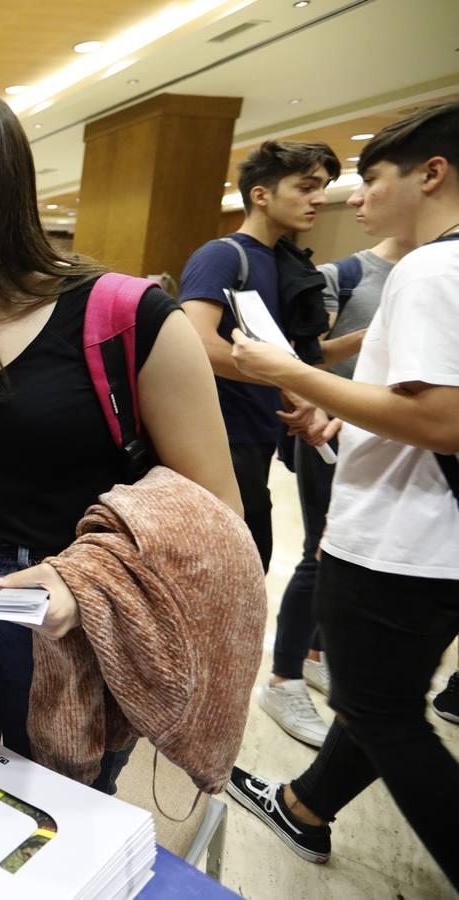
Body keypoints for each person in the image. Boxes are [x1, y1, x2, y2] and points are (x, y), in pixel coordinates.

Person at [0, 91, 242, 793]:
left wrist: (83, 579)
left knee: (53, 817)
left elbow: (216, 514)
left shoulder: (129, 315)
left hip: (71, 619)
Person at [226, 102, 459, 887]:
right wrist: (338, 422)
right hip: (435, 535)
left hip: (401, 544)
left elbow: (440, 419)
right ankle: (302, 805)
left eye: (371, 180)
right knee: (380, 698)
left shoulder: (430, 268)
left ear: (430, 174)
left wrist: (286, 371)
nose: (351, 200)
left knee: (382, 713)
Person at [264, 235, 416, 747]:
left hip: (389, 441)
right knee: (320, 553)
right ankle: (283, 679)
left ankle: (315, 655)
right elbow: (311, 359)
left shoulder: (427, 268)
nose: (354, 199)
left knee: (347, 557)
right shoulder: (344, 274)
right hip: (331, 431)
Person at [180, 141, 340, 577]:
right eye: (306, 187)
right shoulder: (222, 255)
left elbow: (288, 355)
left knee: (250, 566)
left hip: (257, 437)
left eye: (323, 187)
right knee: (227, 572)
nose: (319, 198)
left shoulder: (283, 261)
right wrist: (291, 383)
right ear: (261, 194)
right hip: (217, 440)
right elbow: (197, 343)